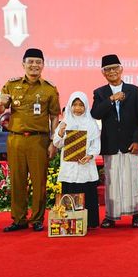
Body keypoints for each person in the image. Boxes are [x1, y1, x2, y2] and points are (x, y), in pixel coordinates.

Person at [0, 48, 60, 232]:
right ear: (23, 64)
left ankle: (38, 219)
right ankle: (19, 219)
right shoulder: (11, 85)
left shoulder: (49, 88)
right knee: (17, 180)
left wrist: (53, 142)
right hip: (15, 139)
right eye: (30, 62)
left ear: (43, 65)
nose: (34, 65)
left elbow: (54, 116)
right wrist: (0, 103)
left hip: (38, 140)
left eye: (38, 62)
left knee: (39, 181)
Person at [90, 54, 138, 228]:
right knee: (112, 181)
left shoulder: (134, 90)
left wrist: (137, 141)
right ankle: (110, 216)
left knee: (132, 179)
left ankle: (135, 214)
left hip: (131, 144)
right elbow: (95, 114)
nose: (112, 72)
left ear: (121, 69)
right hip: (111, 143)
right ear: (103, 73)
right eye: (108, 69)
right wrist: (111, 100)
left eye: (115, 68)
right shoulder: (100, 93)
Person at [53, 91, 101, 229]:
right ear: (70, 106)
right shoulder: (65, 122)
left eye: (81, 105)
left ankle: (90, 223)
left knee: (88, 193)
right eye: (74, 105)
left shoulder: (91, 124)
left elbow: (96, 145)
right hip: (69, 167)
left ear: (86, 106)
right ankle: (70, 223)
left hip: (86, 166)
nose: (78, 108)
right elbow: (57, 143)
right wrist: (61, 133)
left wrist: (90, 155)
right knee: (69, 193)